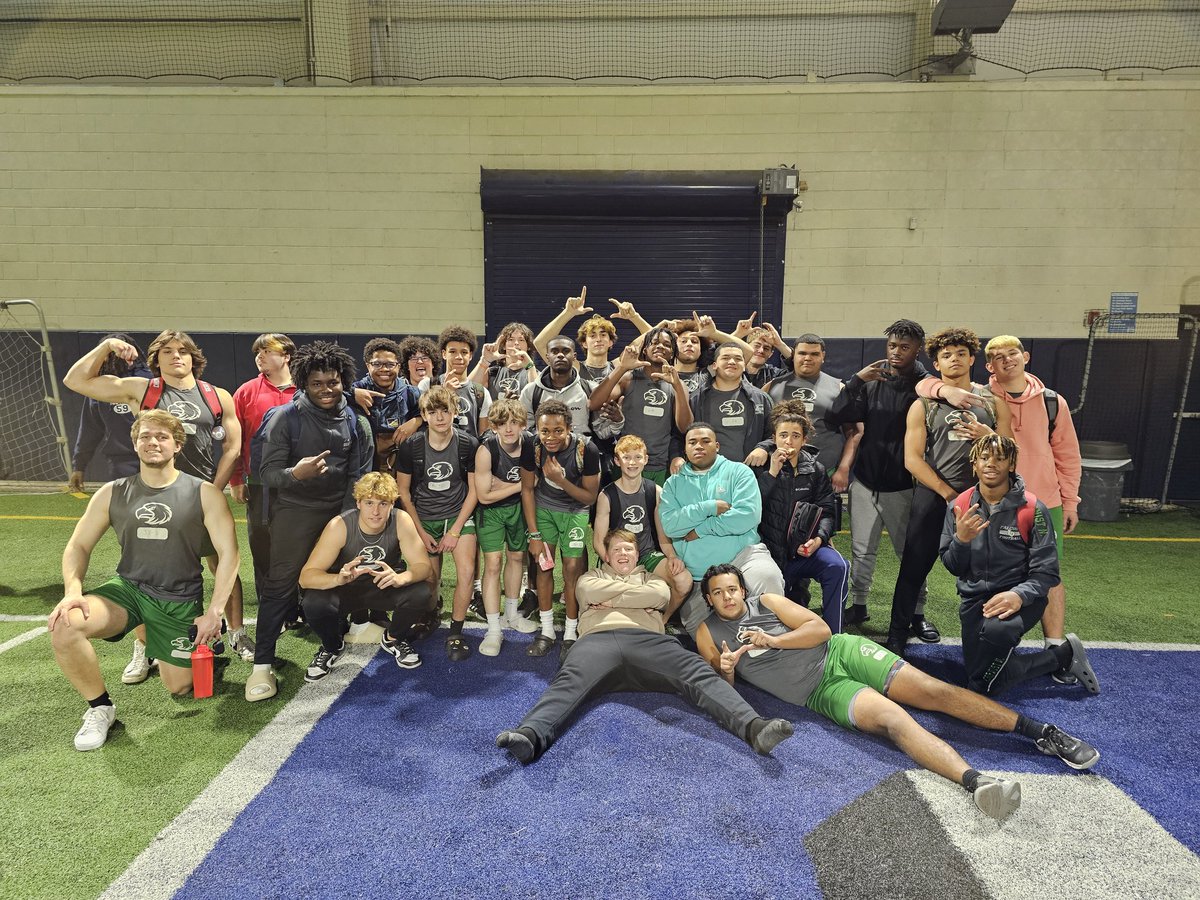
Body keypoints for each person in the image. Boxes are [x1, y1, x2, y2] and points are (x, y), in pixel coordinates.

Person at [696, 563, 1100, 822]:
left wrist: (772, 640)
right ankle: (978, 784)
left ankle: (1042, 732)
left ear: (742, 589)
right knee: (893, 720)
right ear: (709, 599)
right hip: (821, 691)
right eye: (718, 592)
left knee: (933, 690)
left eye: (732, 589)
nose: (728, 596)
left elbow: (820, 630)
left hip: (841, 651)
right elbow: (722, 688)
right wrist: (728, 669)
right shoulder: (707, 632)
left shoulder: (766, 600)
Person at [494, 530, 794, 764]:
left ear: (637, 555)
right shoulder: (591, 577)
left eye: (628, 549)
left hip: (650, 642)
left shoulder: (653, 579)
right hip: (597, 640)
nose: (623, 554)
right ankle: (530, 736)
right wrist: (635, 594)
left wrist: (612, 598)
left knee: (698, 670)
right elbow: (587, 590)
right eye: (616, 550)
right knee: (567, 680)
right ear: (607, 556)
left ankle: (754, 727)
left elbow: (660, 597)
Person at [48, 410, 240, 751]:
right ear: (134, 444)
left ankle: (178, 638)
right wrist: (72, 592)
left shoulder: (204, 493)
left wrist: (214, 612)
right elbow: (78, 544)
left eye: (162, 437)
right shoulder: (112, 492)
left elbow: (229, 554)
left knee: (180, 688)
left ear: (177, 445)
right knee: (66, 624)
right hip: (129, 591)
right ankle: (100, 707)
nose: (153, 442)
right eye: (145, 437)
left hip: (178, 597)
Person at [63, 330, 252, 672]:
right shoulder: (141, 389)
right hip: (151, 494)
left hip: (198, 499)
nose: (176, 356)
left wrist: (212, 490)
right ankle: (143, 646)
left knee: (220, 563)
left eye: (183, 351)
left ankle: (237, 630)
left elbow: (233, 446)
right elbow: (76, 380)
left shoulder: (217, 395)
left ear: (195, 357)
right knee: (143, 571)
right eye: (167, 351)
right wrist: (105, 347)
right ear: (156, 359)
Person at [924, 336, 1082, 684]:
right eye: (996, 357)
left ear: (1025, 357)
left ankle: (1054, 646)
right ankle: (1043, 650)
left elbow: (1067, 454)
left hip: (1042, 497)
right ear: (988, 366)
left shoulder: (1053, 402)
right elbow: (928, 381)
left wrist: (1069, 500)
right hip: (992, 496)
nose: (1006, 360)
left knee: (1046, 570)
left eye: (1012, 353)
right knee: (988, 559)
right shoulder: (982, 395)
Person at [249, 340, 373, 701]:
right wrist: (295, 474)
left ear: (343, 380)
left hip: (337, 512)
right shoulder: (284, 418)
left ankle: (334, 640)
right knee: (279, 586)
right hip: (295, 511)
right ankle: (261, 665)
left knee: (334, 583)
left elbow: (358, 475)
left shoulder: (354, 419)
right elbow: (267, 473)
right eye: (317, 383)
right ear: (303, 383)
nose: (326, 390)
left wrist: (345, 519)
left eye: (332, 382)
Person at [885, 327, 1012, 658]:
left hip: (982, 498)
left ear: (972, 358)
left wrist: (988, 435)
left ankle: (986, 636)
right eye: (946, 355)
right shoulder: (924, 404)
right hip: (934, 495)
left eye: (960, 353)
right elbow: (912, 460)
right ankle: (898, 633)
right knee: (914, 565)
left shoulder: (993, 403)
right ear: (937, 365)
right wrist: (947, 493)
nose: (954, 359)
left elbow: (1011, 454)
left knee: (984, 569)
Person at [941, 435, 1100, 697]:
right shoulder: (958, 506)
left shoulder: (1033, 509)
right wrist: (961, 540)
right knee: (979, 674)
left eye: (1000, 458)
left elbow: (1048, 572)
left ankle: (992, 668)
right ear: (974, 464)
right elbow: (952, 565)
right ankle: (1063, 655)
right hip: (974, 601)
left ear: (1012, 464)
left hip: (1022, 600)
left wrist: (1018, 595)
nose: (991, 464)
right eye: (984, 458)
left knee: (983, 681)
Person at [825, 320, 932, 635]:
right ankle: (858, 606)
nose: (896, 352)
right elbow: (837, 415)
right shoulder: (872, 381)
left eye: (904, 347)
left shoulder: (926, 385)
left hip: (905, 485)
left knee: (911, 553)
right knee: (861, 549)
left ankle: (917, 613)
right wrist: (856, 380)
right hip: (866, 481)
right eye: (892, 346)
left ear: (918, 349)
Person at [298, 473, 435, 678]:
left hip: (384, 585)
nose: (376, 511)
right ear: (358, 503)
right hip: (347, 587)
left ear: (392, 504)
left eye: (383, 504)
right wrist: (337, 578)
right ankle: (332, 646)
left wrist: (401, 578)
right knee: (313, 602)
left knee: (422, 591)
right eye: (369, 503)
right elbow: (306, 576)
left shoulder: (401, 520)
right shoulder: (340, 525)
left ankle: (393, 638)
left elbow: (424, 567)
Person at [659, 422, 783, 636]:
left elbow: (747, 517)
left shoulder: (739, 472)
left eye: (705, 441)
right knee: (702, 635)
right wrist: (709, 507)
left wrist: (702, 528)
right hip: (700, 574)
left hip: (743, 557)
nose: (699, 446)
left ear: (717, 446)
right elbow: (671, 526)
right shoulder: (673, 484)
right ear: (686, 449)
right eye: (692, 442)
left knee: (767, 576)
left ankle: (772, 642)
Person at [394, 385, 480, 660]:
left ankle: (456, 630)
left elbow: (475, 491)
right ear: (424, 415)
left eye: (445, 410)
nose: (440, 417)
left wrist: (455, 530)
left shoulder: (468, 443)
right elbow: (403, 493)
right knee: (429, 580)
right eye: (433, 412)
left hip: (458, 515)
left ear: (455, 412)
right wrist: (419, 531)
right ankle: (431, 613)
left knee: (466, 572)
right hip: (424, 518)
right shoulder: (412, 445)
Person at [752, 406, 849, 634]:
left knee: (838, 566)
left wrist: (818, 539)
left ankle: (834, 635)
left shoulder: (816, 469)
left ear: (804, 440)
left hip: (803, 552)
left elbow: (826, 510)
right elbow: (752, 507)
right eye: (783, 435)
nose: (789, 441)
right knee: (779, 619)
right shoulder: (759, 467)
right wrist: (772, 473)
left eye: (795, 436)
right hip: (769, 555)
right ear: (773, 438)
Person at [521, 400, 602, 657]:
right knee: (543, 568)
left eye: (558, 430)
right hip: (544, 511)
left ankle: (570, 632)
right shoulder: (531, 445)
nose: (551, 437)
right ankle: (546, 631)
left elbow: (589, 498)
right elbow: (526, 489)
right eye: (545, 431)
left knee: (571, 571)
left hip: (575, 512)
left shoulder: (586, 449)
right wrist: (533, 534)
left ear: (569, 428)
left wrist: (560, 479)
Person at [230, 333, 297, 616]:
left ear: (287, 356)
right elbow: (233, 440)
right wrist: (236, 479)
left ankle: (299, 606)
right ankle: (272, 607)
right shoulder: (245, 392)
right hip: (260, 484)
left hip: (299, 483)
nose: (260, 355)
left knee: (300, 545)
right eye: (257, 351)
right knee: (263, 547)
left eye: (268, 350)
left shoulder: (307, 389)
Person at [593, 435, 693, 617]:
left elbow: (663, 536)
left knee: (683, 581)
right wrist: (612, 561)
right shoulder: (606, 495)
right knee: (596, 595)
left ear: (645, 459)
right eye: (627, 457)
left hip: (647, 554)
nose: (632, 462)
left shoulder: (655, 491)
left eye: (638, 457)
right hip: (618, 556)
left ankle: (661, 621)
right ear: (617, 461)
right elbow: (599, 541)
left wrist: (671, 556)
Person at [473, 399, 541, 654]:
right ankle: (493, 629)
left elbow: (541, 480)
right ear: (494, 427)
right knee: (492, 565)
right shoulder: (486, 450)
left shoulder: (533, 444)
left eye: (514, 422)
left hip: (520, 510)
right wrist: (523, 485)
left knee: (516, 558)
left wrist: (503, 485)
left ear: (523, 424)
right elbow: (484, 496)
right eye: (502, 424)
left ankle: (511, 615)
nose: (509, 429)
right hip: (491, 513)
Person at [588, 329, 693, 484]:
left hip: (660, 465)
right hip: (626, 463)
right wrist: (622, 367)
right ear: (645, 349)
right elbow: (593, 403)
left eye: (666, 344)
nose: (660, 347)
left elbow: (685, 427)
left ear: (672, 353)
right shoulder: (629, 378)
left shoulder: (678, 384)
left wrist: (677, 385)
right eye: (655, 343)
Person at [763, 333, 862, 494]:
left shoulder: (839, 388)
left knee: (821, 518)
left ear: (823, 356)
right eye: (802, 353)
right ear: (793, 354)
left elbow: (855, 431)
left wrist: (843, 469)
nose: (808, 358)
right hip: (778, 471)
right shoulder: (771, 387)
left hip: (823, 473)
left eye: (814, 354)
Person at [68, 333, 154, 492]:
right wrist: (79, 466)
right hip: (123, 464)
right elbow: (90, 429)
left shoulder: (151, 380)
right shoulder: (100, 388)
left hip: (158, 458)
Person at [674, 342, 773, 470]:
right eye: (725, 358)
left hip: (749, 475)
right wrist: (676, 457)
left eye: (738, 359)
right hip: (706, 475)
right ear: (714, 365)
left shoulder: (761, 399)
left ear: (744, 366)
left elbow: (774, 434)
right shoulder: (695, 399)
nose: (732, 362)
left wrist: (763, 448)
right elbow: (678, 435)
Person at [351, 337, 423, 472]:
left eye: (390, 365)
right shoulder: (356, 390)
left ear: (399, 366)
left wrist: (417, 421)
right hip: (364, 469)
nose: (384, 369)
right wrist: (352, 393)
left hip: (400, 471)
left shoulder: (411, 394)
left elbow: (434, 415)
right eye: (377, 364)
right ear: (368, 365)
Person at [418, 326, 492, 436]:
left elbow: (484, 436)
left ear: (470, 355)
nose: (459, 357)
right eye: (452, 351)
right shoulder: (427, 385)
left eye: (464, 352)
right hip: (436, 451)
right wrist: (445, 393)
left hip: (469, 452)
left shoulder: (481, 393)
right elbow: (422, 423)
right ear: (444, 354)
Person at [471, 322, 539, 401]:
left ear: (528, 347)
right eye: (511, 339)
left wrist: (530, 366)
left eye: (521, 340)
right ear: (503, 345)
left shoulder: (534, 372)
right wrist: (484, 361)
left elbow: (537, 398)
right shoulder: (492, 372)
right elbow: (469, 391)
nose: (516, 343)